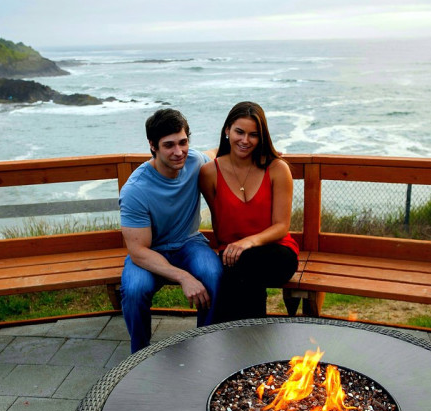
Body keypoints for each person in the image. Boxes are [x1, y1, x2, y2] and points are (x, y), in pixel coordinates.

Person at [119, 108, 223, 353]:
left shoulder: (195, 160)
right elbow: (138, 252)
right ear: (153, 146)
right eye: (169, 145)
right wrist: (184, 277)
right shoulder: (136, 189)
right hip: (150, 251)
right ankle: (140, 355)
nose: (179, 152)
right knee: (134, 290)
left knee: (213, 274)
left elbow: (217, 152)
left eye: (183, 142)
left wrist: (267, 155)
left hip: (189, 242)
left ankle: (206, 345)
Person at [199, 101, 299, 322]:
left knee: (242, 268)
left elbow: (282, 227)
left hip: (277, 252)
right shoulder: (209, 173)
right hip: (231, 254)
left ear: (261, 136)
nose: (245, 140)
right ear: (227, 130)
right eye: (239, 132)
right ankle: (249, 340)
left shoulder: (277, 169)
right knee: (231, 272)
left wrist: (248, 242)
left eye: (253, 135)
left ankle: (221, 338)